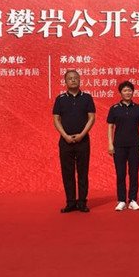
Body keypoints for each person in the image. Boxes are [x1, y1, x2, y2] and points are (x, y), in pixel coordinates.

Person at [53, 69, 96, 213]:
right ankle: (70, 202)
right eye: (70, 78)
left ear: (80, 80)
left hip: (83, 141)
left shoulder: (87, 98)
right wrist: (65, 135)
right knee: (67, 173)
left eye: (75, 78)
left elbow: (91, 118)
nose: (73, 80)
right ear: (65, 81)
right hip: (65, 141)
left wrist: (82, 134)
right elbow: (56, 119)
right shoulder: (60, 99)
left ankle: (82, 202)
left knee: (83, 172)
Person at [107, 81, 139, 211]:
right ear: (120, 93)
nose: (127, 93)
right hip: (119, 145)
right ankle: (122, 200)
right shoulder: (114, 108)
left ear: (133, 92)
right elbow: (110, 127)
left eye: (129, 90)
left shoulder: (138, 108)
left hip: (135, 145)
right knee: (120, 173)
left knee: (134, 173)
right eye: (125, 90)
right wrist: (110, 144)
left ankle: (133, 200)